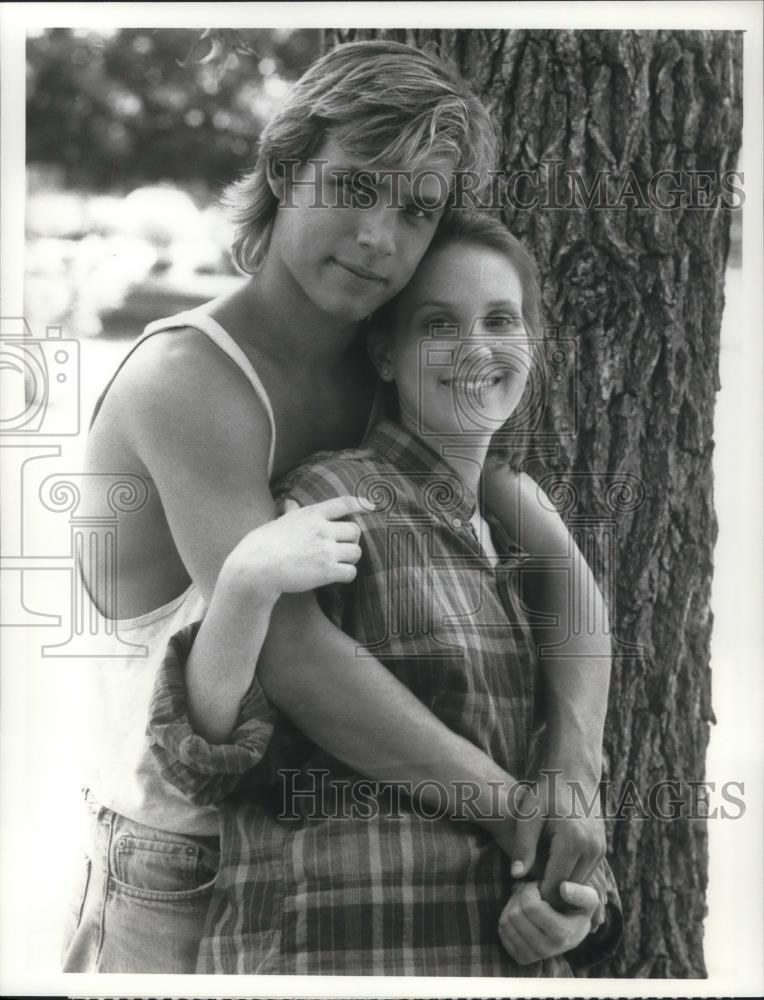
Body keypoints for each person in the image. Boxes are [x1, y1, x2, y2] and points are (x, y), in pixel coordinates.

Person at [63, 40, 611, 974]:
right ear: (284, 168)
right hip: (183, 857)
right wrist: (516, 810)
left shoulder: (386, 363)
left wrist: (573, 772)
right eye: (353, 188)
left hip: (350, 853)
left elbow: (560, 571)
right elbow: (294, 653)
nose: (378, 239)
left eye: (415, 212)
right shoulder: (189, 381)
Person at [148, 211, 622, 975]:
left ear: (532, 344)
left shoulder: (523, 546)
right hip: (344, 953)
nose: (476, 349)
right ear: (387, 355)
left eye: (501, 319)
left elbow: (571, 814)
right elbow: (203, 757)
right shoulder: (334, 502)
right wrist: (242, 587)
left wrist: (572, 907)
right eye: (439, 324)